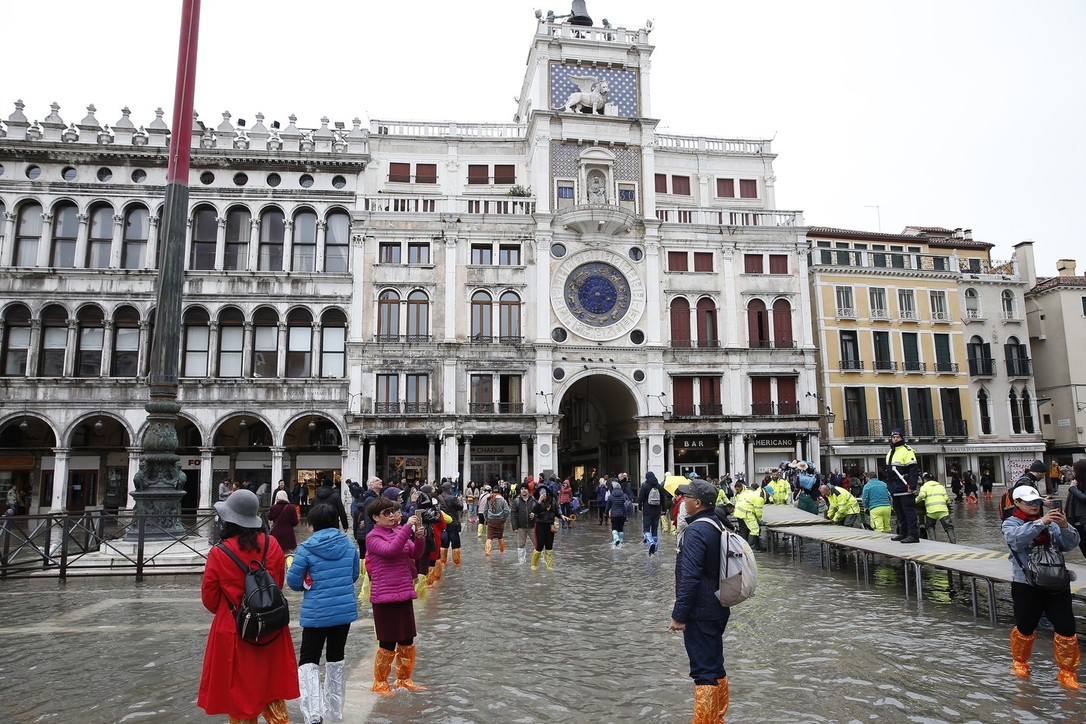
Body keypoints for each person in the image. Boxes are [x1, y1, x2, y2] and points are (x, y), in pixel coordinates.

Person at [198, 490, 299, 723]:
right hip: (271, 626)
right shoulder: (272, 544)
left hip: (234, 629)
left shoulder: (219, 552)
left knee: (240, 696)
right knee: (272, 687)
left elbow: (210, 599)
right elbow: (278, 584)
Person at [286, 503, 360, 723]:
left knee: (309, 661)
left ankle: (313, 715)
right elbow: (354, 575)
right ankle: (334, 713)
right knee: (336, 658)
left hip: (316, 614)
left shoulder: (306, 549)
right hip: (343, 612)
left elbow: (293, 583)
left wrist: (308, 582)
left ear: (311, 526)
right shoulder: (349, 546)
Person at [1002, 485, 1081, 689]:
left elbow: (1070, 544)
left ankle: (1067, 672)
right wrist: (1040, 523)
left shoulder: (1052, 523)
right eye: (1029, 503)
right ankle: (1020, 662)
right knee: (1025, 626)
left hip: (1057, 581)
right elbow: (1016, 540)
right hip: (1026, 583)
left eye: (1037, 502)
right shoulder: (1011, 523)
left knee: (1066, 627)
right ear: (1017, 503)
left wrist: (1064, 526)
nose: (1034, 506)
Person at [668, 478, 730, 724]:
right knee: (715, 665)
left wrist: (679, 615)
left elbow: (690, 577)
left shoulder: (695, 531)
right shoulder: (717, 525)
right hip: (718, 605)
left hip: (700, 610)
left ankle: (705, 722)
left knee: (703, 671)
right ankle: (718, 718)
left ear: (697, 502)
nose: (682, 501)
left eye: (686, 497)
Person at [364, 495, 427, 694]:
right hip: (384, 594)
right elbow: (391, 551)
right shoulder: (373, 537)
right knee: (387, 641)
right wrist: (408, 529)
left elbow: (414, 554)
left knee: (407, 639)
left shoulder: (399, 531)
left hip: (404, 591)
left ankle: (404, 678)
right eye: (386, 513)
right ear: (375, 517)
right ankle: (381, 682)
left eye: (392, 512)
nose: (391, 516)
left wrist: (419, 538)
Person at [885, 428, 920, 543]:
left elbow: (913, 470)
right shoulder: (890, 451)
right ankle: (903, 533)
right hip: (894, 486)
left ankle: (913, 535)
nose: (895, 439)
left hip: (905, 486)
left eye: (897, 437)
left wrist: (912, 486)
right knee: (899, 512)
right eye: (893, 437)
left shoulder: (907, 450)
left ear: (902, 438)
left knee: (909, 512)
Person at [529, 486, 565, 569]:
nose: (542, 493)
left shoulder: (552, 500)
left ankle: (549, 566)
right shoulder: (535, 500)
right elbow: (533, 510)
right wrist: (539, 501)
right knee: (539, 546)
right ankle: (533, 565)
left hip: (550, 525)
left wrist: (561, 516)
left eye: (544, 491)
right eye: (540, 492)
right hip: (539, 525)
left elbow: (556, 511)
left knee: (549, 546)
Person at [915, 472, 955, 543]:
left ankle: (933, 542)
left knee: (930, 526)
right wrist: (948, 502)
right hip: (943, 511)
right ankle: (953, 542)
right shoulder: (941, 486)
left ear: (925, 480)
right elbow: (946, 498)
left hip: (931, 511)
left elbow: (921, 495)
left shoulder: (924, 487)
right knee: (949, 527)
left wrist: (915, 501)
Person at [438, 480, 465, 567]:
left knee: (444, 542)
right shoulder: (452, 498)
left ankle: (443, 562)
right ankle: (456, 562)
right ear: (449, 489)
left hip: (443, 524)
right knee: (455, 543)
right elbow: (460, 507)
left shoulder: (438, 497)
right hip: (453, 523)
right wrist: (460, 500)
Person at [733, 481, 765, 551]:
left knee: (748, 530)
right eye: (736, 490)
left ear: (741, 487)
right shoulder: (740, 493)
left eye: (738, 489)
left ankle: (747, 547)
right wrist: (760, 520)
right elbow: (758, 509)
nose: (737, 491)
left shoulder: (748, 491)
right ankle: (748, 547)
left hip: (743, 512)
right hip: (744, 513)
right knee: (748, 530)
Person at [1064, 459, 1086, 557]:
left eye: (1074, 471)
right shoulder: (1077, 484)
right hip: (1078, 525)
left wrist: (1073, 489)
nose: (1072, 473)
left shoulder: (1074, 486)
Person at [509, 482, 535, 564]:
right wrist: (514, 527)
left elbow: (539, 511)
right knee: (521, 545)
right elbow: (513, 514)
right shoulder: (516, 501)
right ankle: (522, 562)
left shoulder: (533, 500)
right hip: (521, 527)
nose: (524, 491)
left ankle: (539, 561)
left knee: (538, 544)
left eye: (525, 489)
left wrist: (535, 515)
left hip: (532, 526)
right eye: (522, 489)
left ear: (528, 490)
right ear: (520, 490)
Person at [639, 471, 664, 555]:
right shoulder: (659, 486)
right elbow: (663, 498)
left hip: (647, 510)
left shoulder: (645, 486)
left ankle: (651, 543)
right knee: (654, 530)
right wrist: (663, 509)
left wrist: (639, 507)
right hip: (657, 511)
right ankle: (655, 550)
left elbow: (641, 498)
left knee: (646, 529)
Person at [267, 489, 299, 554]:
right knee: (288, 554)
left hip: (276, 532)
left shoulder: (273, 508)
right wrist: (289, 525)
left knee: (276, 552)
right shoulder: (291, 507)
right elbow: (295, 521)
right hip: (288, 533)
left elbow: (269, 518)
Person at [484, 486, 509, 555]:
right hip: (500, 520)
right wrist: (504, 519)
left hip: (491, 520)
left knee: (489, 537)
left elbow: (485, 511)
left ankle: (487, 552)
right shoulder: (503, 500)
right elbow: (507, 511)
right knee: (500, 536)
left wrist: (487, 519)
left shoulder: (489, 499)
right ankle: (502, 551)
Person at [605, 479, 629, 548]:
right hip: (622, 515)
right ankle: (621, 541)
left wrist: (606, 514)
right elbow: (627, 504)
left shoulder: (611, 497)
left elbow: (607, 507)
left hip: (614, 515)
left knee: (614, 528)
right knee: (620, 528)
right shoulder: (624, 496)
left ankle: (616, 539)